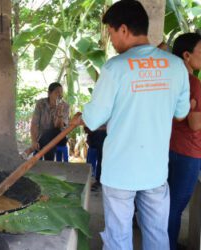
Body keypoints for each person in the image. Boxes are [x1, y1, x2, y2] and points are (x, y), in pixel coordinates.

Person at [70, 1, 190, 249]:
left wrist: (82, 115)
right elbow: (181, 113)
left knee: (118, 238)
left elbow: (94, 119)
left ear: (123, 29)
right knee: (157, 235)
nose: (112, 41)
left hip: (120, 172)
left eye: (112, 33)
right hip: (155, 170)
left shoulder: (115, 68)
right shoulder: (176, 66)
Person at [168, 32, 201, 250]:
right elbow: (195, 124)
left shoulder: (171, 78)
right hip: (189, 152)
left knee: (168, 204)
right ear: (187, 55)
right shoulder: (194, 83)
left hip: (171, 148)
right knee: (175, 207)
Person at [30, 82, 69, 161]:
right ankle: (49, 163)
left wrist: (59, 113)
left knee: (53, 132)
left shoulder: (65, 106)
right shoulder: (41, 104)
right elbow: (34, 124)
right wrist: (34, 141)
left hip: (59, 137)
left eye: (61, 93)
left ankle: (42, 161)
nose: (60, 95)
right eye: (57, 92)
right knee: (48, 141)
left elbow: (58, 127)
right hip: (43, 138)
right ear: (49, 93)